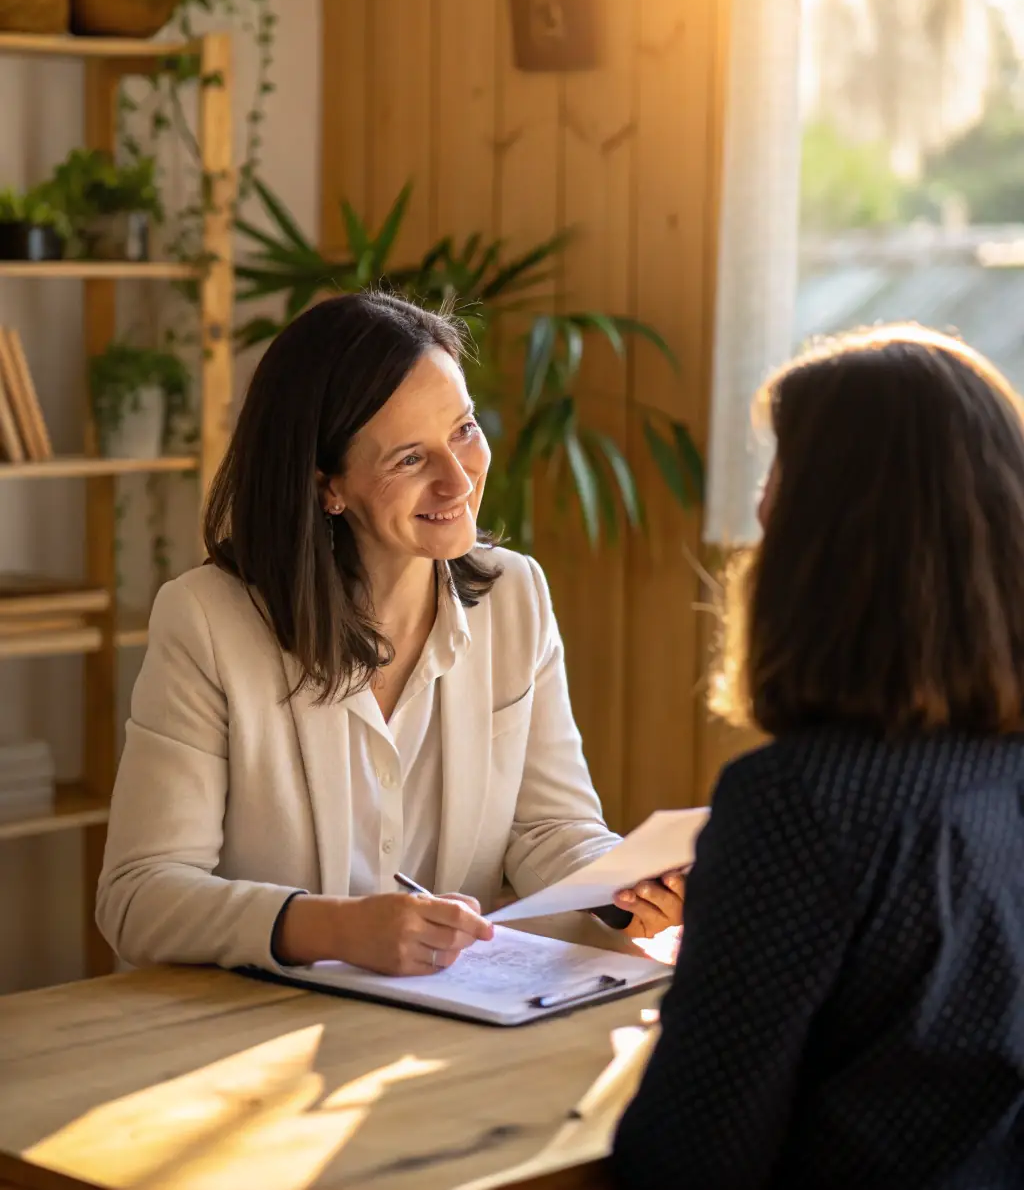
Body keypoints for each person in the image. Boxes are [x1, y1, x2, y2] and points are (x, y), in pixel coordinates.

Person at [97, 292, 683, 977]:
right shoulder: (205, 620)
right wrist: (336, 928)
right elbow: (137, 897)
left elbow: (549, 828)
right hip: (258, 1020)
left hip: (453, 1017)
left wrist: (632, 888)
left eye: (463, 429)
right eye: (409, 459)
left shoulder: (515, 595)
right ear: (328, 487)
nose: (458, 480)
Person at [613, 324, 1024, 1189]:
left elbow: (688, 1158)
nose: (762, 506)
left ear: (835, 534)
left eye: (782, 474)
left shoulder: (800, 801)